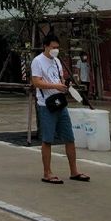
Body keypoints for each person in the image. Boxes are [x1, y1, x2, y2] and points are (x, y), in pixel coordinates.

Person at [31, 33, 89, 185]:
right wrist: (55, 86)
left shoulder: (57, 61)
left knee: (69, 138)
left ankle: (74, 171)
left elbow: (60, 78)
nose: (56, 50)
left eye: (57, 47)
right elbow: (36, 82)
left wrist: (63, 85)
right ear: (46, 46)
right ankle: (47, 172)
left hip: (60, 102)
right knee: (47, 140)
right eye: (53, 47)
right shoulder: (37, 61)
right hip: (46, 104)